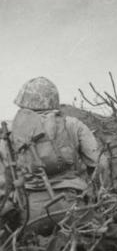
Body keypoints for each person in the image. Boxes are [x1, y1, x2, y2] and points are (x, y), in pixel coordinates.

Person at [9, 76, 110, 235]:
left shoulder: (10, 130)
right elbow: (100, 164)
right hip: (71, 208)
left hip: (30, 213)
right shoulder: (72, 124)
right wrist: (98, 197)